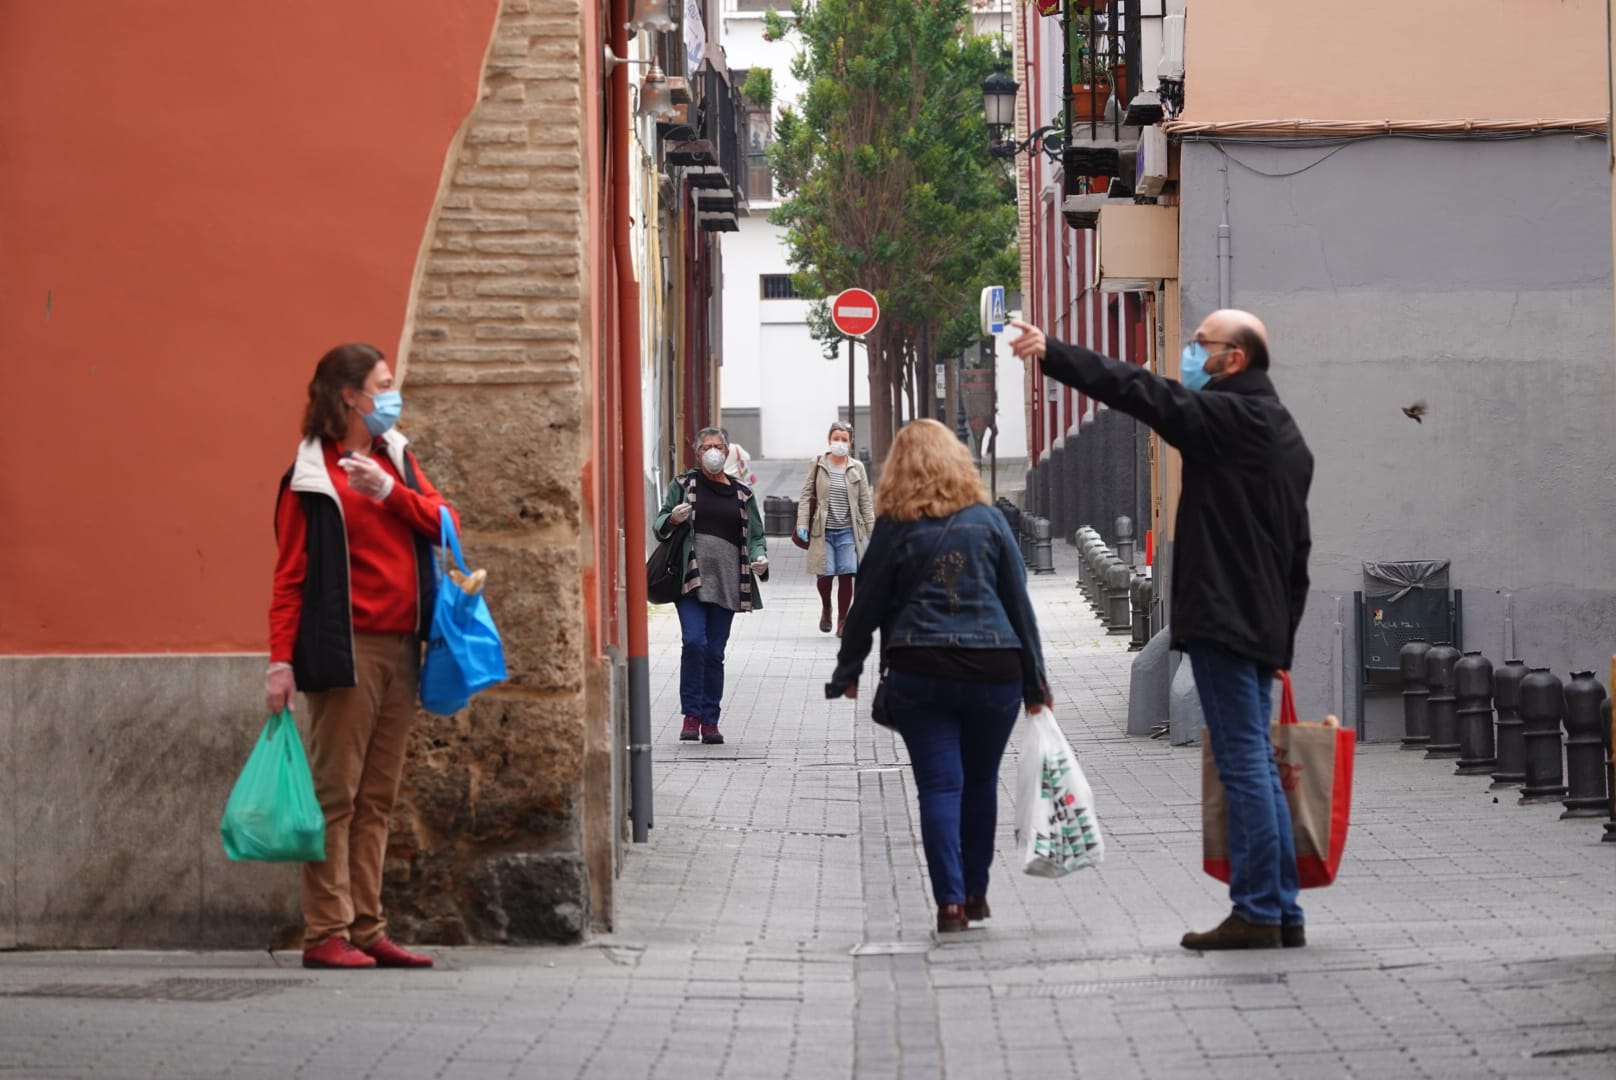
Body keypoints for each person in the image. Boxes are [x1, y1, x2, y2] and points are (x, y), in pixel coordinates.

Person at [1009, 310, 1314, 951]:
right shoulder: (1287, 436)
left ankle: (1259, 910)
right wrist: (1282, 633)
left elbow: (1140, 390)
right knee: (1257, 762)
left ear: (1234, 359)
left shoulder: (1226, 420)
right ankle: (1281, 909)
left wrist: (1053, 352)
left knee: (1244, 767)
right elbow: (1298, 551)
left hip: (1224, 622)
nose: (1189, 354)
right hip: (1259, 624)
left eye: (1200, 345)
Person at [266, 343, 453, 971]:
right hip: (344, 649)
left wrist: (391, 496)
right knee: (335, 797)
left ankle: (369, 928)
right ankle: (326, 931)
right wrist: (279, 663)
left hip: (404, 647)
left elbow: (445, 523)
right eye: (384, 384)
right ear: (350, 396)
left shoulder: (395, 457)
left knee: (378, 798)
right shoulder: (310, 477)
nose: (392, 395)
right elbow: (290, 576)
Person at [825, 419, 1051, 934]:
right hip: (994, 671)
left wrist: (848, 671)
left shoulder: (893, 525)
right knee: (979, 783)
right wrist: (1036, 684)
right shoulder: (988, 521)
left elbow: (867, 605)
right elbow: (1019, 605)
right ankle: (976, 891)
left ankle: (949, 902)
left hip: (920, 671)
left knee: (940, 787)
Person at [652, 426, 770, 745]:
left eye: (719, 446)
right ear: (697, 452)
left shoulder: (743, 493)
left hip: (729, 582)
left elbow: (756, 536)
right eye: (706, 447)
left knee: (714, 651)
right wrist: (673, 519)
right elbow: (659, 524)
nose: (713, 452)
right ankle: (691, 714)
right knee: (694, 642)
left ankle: (710, 720)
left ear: (728, 451)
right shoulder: (683, 485)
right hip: (690, 579)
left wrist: (759, 558)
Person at [795, 421, 876, 636]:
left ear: (850, 442)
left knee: (847, 573)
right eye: (836, 438)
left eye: (844, 439)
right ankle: (826, 607)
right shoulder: (818, 464)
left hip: (849, 530)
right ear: (829, 439)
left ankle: (842, 620)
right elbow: (805, 495)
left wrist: (873, 531)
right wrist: (802, 523)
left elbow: (865, 502)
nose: (839, 443)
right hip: (823, 531)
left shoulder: (856, 467)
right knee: (825, 575)